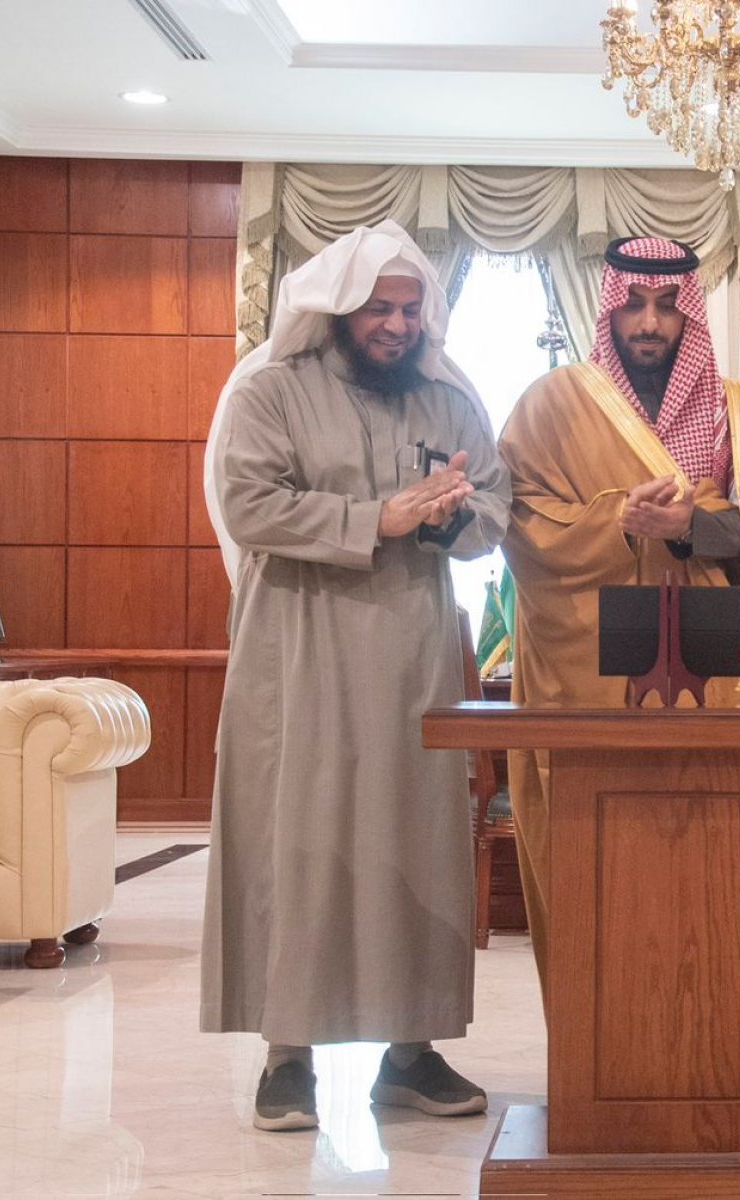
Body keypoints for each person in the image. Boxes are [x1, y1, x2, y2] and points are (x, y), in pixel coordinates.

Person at [198, 220, 511, 1132]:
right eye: (380, 308)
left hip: (413, 654)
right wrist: (378, 519)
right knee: (297, 841)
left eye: (411, 309)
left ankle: (410, 1054)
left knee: (416, 840)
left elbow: (496, 506)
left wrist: (452, 519)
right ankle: (286, 1055)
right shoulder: (272, 391)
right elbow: (249, 504)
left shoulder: (448, 399)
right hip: (299, 652)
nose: (398, 325)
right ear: (337, 308)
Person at [497, 236, 740, 991]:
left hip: (712, 664)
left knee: (713, 873)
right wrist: (620, 521)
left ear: (689, 316)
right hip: (588, 677)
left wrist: (692, 526)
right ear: (609, 308)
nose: (649, 323)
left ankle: (718, 1041)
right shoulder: (550, 406)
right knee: (597, 870)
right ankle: (593, 1040)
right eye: (634, 304)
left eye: (668, 307)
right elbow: (524, 526)